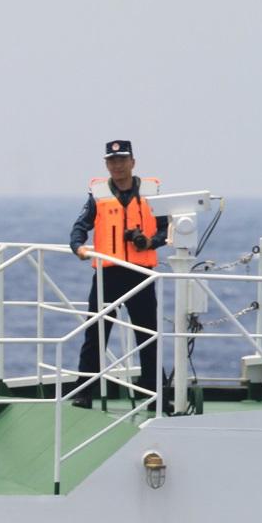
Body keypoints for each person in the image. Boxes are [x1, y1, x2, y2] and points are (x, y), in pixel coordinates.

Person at [69, 139, 169, 409]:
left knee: (148, 336)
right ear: (106, 164)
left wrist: (149, 242)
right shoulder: (98, 196)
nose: (117, 165)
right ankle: (84, 392)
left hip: (140, 273)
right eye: (112, 161)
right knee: (96, 334)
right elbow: (80, 227)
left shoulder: (152, 193)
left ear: (133, 162)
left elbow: (165, 230)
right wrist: (78, 246)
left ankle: (156, 395)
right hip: (108, 275)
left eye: (122, 160)